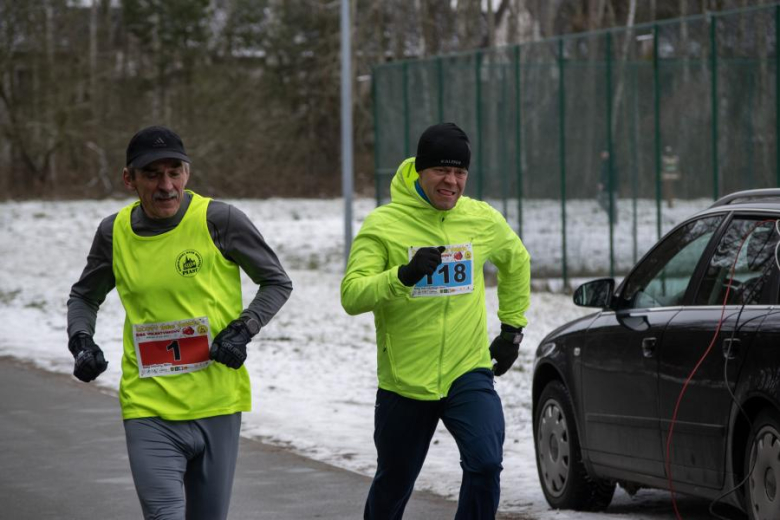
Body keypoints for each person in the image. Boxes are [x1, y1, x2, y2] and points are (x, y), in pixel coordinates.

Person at [66, 125, 293, 520]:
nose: (166, 185)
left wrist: (244, 328)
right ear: (129, 179)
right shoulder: (113, 232)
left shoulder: (219, 219)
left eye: (175, 172)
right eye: (152, 174)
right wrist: (81, 341)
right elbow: (84, 295)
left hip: (217, 402)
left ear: (187, 173)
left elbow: (276, 281)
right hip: (148, 405)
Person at [340, 122, 531, 520]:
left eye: (460, 172)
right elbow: (352, 295)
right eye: (442, 171)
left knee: (485, 463)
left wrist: (512, 329)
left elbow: (517, 261)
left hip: (467, 369)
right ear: (420, 170)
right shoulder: (384, 224)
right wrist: (402, 276)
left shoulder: (481, 219)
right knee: (394, 481)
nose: (452, 181)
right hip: (405, 380)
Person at [597, 149, 618, 223]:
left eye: (604, 153)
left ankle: (614, 220)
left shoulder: (611, 163)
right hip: (605, 188)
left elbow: (611, 176)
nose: (602, 155)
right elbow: (602, 175)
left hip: (612, 187)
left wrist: (604, 184)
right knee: (601, 201)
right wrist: (600, 182)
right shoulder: (604, 163)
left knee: (613, 204)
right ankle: (611, 216)